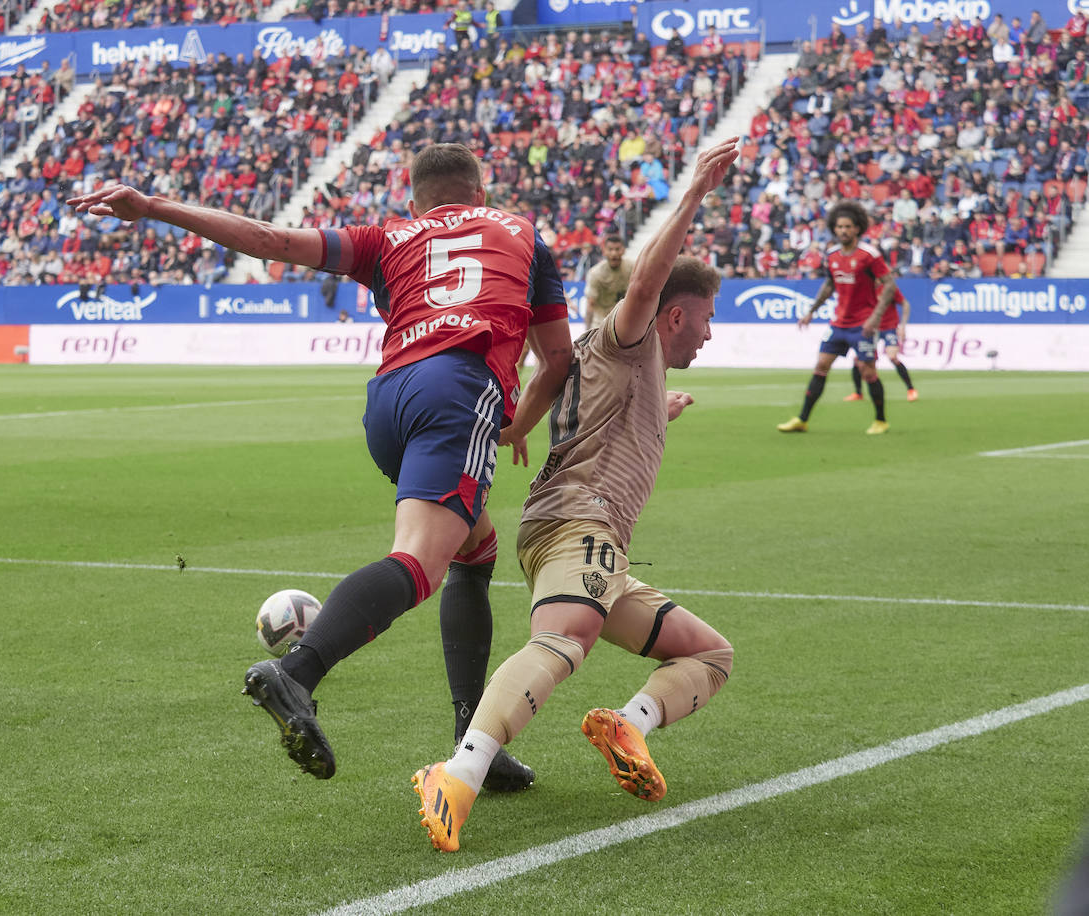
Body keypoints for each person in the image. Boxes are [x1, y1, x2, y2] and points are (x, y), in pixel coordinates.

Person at [68, 144, 575, 786]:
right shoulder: (522, 235)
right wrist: (516, 424)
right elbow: (557, 358)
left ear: (413, 200)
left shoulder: (386, 236)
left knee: (475, 551)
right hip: (456, 391)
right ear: (480, 194)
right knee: (418, 562)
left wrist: (152, 206)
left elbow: (268, 239)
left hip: (389, 402)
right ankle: (296, 674)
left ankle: (473, 742)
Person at [411, 137, 741, 853]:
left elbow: (583, 403)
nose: (711, 334)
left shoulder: (628, 365)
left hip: (588, 538)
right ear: (674, 316)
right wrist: (693, 193)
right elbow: (645, 286)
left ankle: (629, 724)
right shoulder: (632, 335)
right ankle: (457, 774)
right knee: (563, 641)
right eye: (707, 318)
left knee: (710, 655)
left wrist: (660, 411)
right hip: (577, 523)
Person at [777, 201, 896, 435]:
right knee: (821, 365)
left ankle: (881, 420)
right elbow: (830, 285)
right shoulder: (831, 255)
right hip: (839, 323)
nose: (843, 231)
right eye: (840, 227)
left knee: (867, 371)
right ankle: (802, 419)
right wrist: (812, 311)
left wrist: (875, 318)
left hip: (863, 324)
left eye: (848, 227)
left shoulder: (869, 255)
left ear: (857, 228)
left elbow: (889, 285)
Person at [846, 284, 918, 403]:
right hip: (873, 329)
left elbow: (905, 304)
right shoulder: (865, 287)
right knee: (858, 360)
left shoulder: (889, 287)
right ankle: (858, 393)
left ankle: (911, 389)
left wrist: (903, 326)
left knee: (893, 357)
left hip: (889, 328)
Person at [582, 234, 632, 330]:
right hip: (600, 324)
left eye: (617, 249)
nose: (614, 253)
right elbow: (590, 304)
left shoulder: (632, 268)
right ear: (604, 251)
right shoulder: (595, 273)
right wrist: (587, 331)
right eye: (610, 249)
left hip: (624, 324)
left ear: (623, 250)